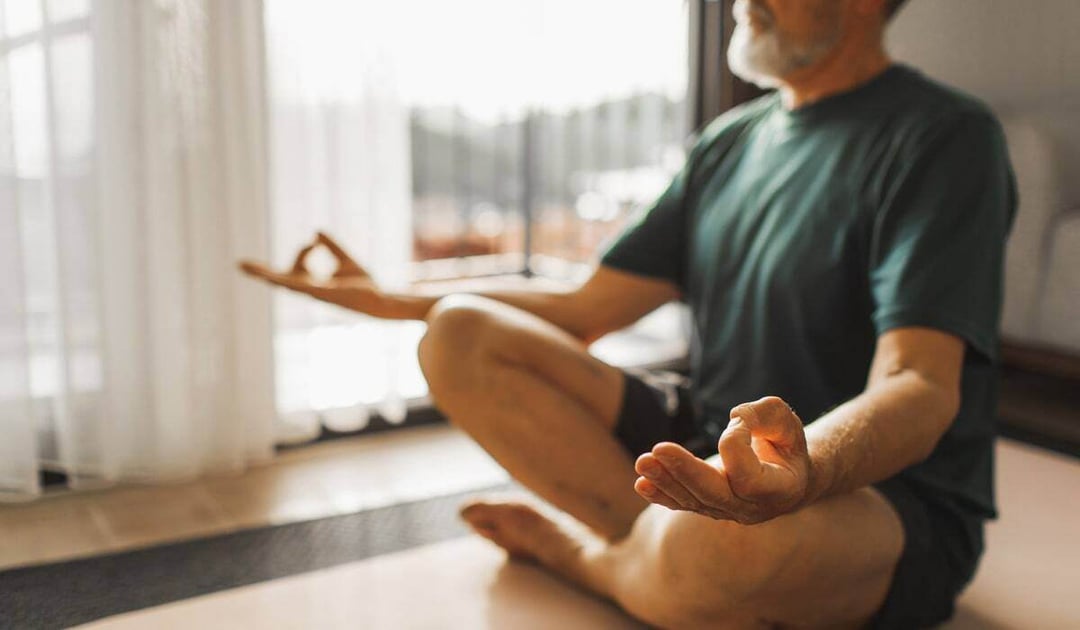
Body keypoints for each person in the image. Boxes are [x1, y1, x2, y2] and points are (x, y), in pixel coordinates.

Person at [240, 0, 1016, 626]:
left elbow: (919, 381)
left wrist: (807, 471)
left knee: (727, 547)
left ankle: (595, 560)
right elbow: (587, 309)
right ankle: (660, 556)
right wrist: (388, 298)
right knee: (459, 332)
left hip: (883, 500)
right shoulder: (729, 143)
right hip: (700, 439)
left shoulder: (944, 136)